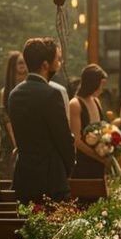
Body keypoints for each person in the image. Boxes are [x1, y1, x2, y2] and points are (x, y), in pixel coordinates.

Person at [8, 37, 75, 203]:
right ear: (45, 65)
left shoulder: (14, 94)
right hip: (50, 177)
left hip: (24, 176)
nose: (59, 63)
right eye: (57, 59)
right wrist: (68, 168)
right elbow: (63, 138)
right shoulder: (51, 94)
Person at [69, 64, 109, 180]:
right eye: (100, 85)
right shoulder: (75, 104)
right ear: (93, 83)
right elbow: (76, 140)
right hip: (84, 162)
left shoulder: (96, 101)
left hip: (99, 159)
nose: (102, 89)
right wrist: (97, 156)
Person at [0, 50, 28, 178]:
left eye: (25, 63)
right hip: (12, 142)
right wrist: (17, 144)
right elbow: (7, 118)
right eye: (20, 63)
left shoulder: (29, 87)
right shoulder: (6, 92)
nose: (24, 66)